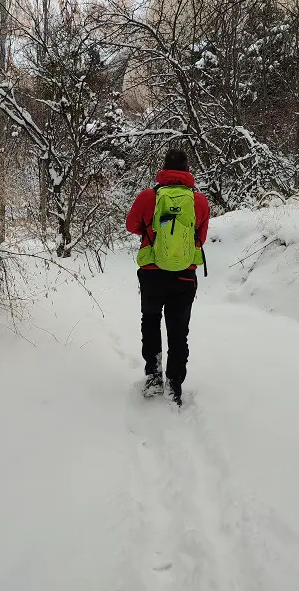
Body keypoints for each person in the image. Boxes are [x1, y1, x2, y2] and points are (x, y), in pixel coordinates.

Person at [126, 148, 210, 406]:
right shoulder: (199, 201)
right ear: (187, 170)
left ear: (164, 168)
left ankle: (153, 378)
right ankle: (175, 383)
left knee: (150, 322)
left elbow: (131, 226)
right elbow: (201, 238)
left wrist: (151, 234)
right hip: (184, 276)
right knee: (178, 330)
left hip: (152, 274)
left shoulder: (148, 196)